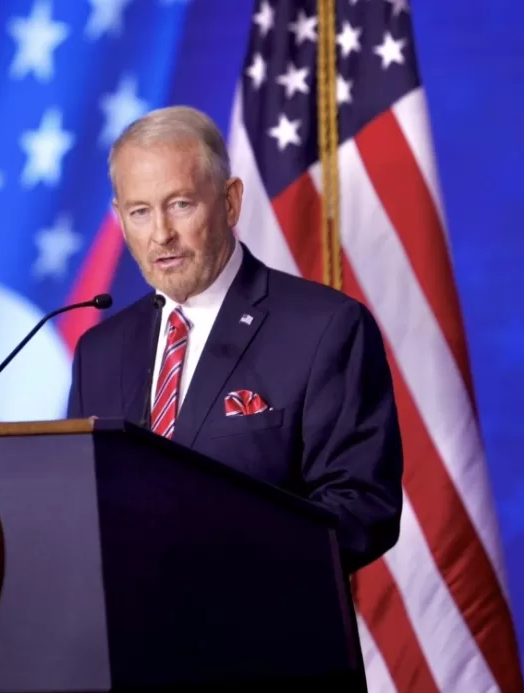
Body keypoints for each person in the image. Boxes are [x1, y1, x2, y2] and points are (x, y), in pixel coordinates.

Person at [66, 106, 403, 573]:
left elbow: (362, 508)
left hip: (260, 614)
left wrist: (219, 554)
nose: (161, 234)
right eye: (140, 212)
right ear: (121, 221)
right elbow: (80, 506)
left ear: (230, 201)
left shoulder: (325, 328)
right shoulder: (99, 352)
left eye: (180, 205)